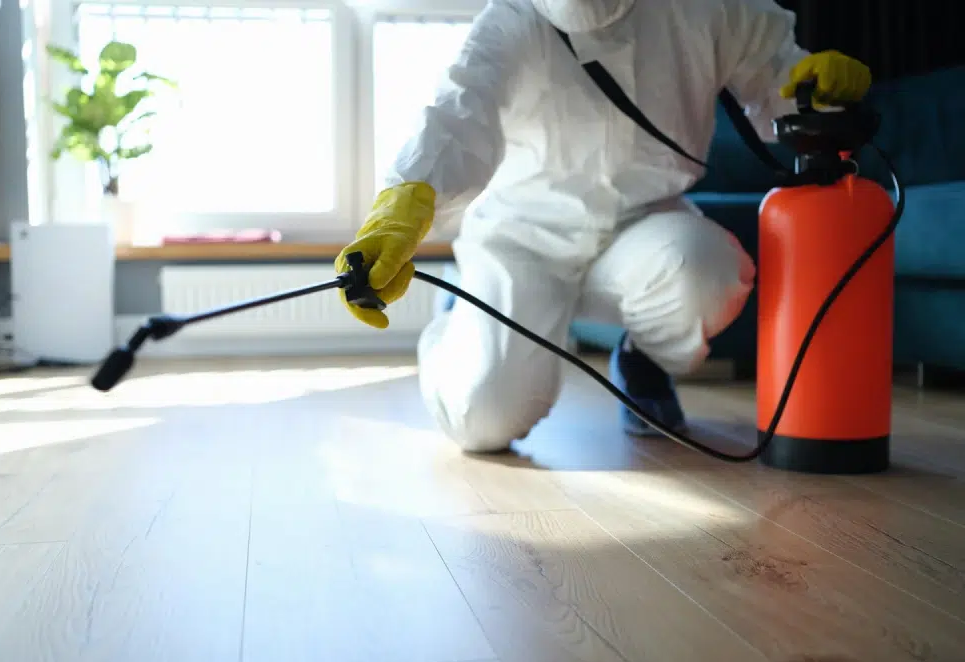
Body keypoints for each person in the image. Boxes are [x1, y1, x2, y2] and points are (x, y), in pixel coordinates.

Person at [334, 0, 872, 454]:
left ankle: (644, 362)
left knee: (709, 274)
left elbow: (777, 81)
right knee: (482, 417)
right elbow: (458, 113)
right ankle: (462, 316)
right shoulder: (515, 18)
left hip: (643, 223)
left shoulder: (704, 7)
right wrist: (401, 207)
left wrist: (817, 83)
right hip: (523, 236)